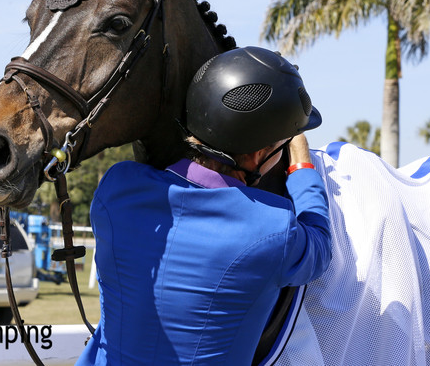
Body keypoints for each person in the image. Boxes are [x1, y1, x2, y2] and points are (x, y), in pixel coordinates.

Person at [76, 46, 332, 365]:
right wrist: (301, 167)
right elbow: (319, 247)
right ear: (257, 155)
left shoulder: (116, 189)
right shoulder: (273, 229)